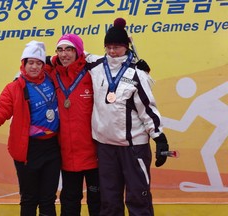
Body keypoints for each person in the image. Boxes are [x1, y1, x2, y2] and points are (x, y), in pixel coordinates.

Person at [0, 40, 61, 216]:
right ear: (23, 64)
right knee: (29, 199)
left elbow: (62, 59)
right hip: (28, 150)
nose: (35, 67)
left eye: (38, 63)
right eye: (30, 62)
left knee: (48, 199)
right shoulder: (14, 88)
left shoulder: (51, 77)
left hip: (53, 148)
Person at [85, 18, 169, 216]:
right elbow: (75, 53)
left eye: (117, 47)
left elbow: (148, 109)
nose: (112, 52)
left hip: (133, 148)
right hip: (105, 146)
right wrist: (50, 60)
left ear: (126, 47)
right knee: (109, 200)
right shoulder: (95, 66)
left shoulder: (137, 74)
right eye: (109, 47)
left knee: (138, 198)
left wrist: (160, 139)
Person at [45, 34, 100, 216]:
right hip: (68, 154)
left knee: (98, 201)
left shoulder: (93, 72)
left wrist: (137, 67)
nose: (64, 54)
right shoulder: (53, 73)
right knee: (69, 201)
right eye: (60, 50)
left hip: (95, 153)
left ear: (78, 52)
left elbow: (114, 66)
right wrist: (48, 60)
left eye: (69, 49)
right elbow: (32, 69)